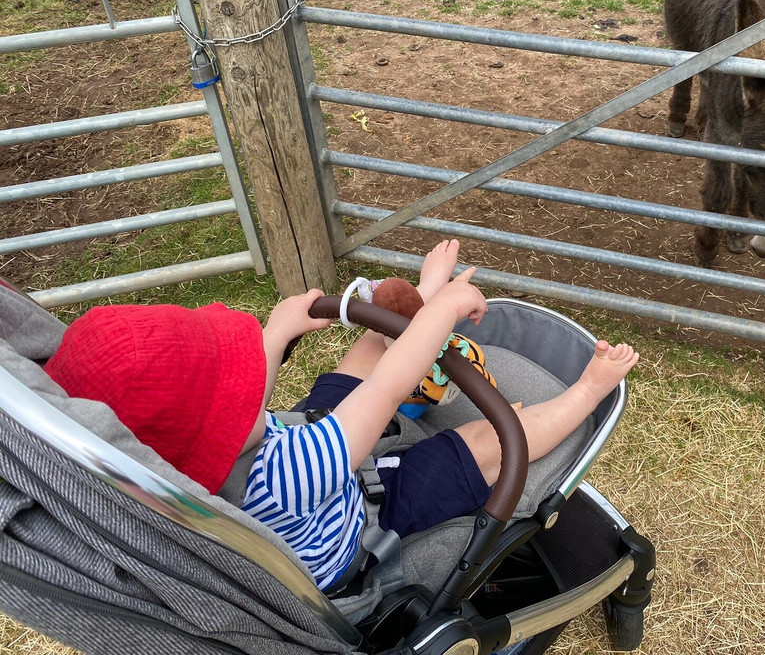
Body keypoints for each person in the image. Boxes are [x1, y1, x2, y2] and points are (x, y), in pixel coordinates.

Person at [43, 239, 639, 594]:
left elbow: (244, 415)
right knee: (484, 439)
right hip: (358, 520)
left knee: (358, 353)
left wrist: (276, 334)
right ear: (219, 432)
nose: (255, 373)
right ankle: (586, 392)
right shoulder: (291, 474)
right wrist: (447, 303)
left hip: (292, 461)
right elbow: (390, 381)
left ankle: (420, 311)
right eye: (241, 386)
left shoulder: (160, 474)